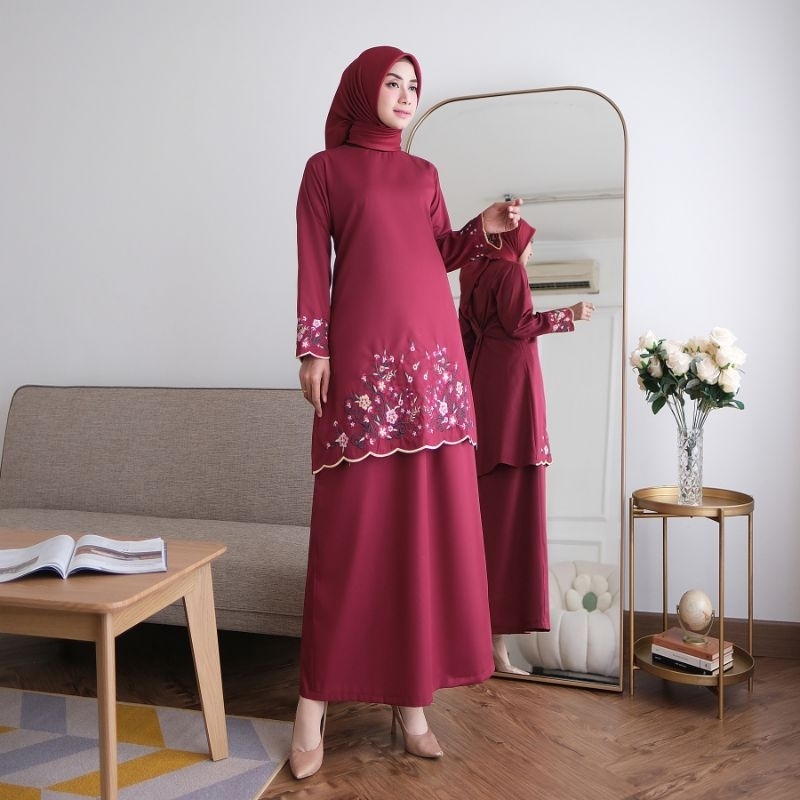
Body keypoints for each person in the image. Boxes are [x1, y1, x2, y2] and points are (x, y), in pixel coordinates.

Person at [292, 45, 522, 780]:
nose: (404, 94)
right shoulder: (325, 171)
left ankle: (412, 702)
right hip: (362, 367)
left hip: (435, 367)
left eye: (413, 85)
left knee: (422, 532)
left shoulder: (424, 174)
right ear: (363, 89)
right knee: (349, 534)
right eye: (392, 82)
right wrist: (312, 349)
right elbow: (313, 263)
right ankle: (312, 705)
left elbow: (440, 251)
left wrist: (483, 227)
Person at [458, 219, 594, 674]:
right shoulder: (510, 270)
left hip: (483, 397)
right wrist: (569, 314)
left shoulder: (473, 273)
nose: (531, 251)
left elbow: (465, 338)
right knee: (514, 525)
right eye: (530, 243)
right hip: (514, 404)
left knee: (489, 528)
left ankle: (489, 648)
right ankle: (494, 649)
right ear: (514, 242)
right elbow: (520, 323)